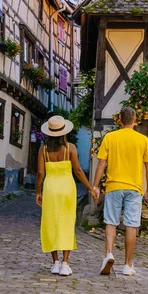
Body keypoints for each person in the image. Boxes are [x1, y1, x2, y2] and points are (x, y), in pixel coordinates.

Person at [92, 106, 148, 276]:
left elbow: (101, 163)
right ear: (135, 121)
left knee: (111, 222)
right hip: (134, 188)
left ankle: (108, 254)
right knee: (131, 225)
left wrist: (95, 186)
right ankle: (127, 265)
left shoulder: (110, 137)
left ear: (119, 120)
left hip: (113, 186)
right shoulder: (143, 140)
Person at [36, 115, 99, 276]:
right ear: (64, 133)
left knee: (50, 223)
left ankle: (55, 262)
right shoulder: (70, 148)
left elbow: (40, 173)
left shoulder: (43, 150)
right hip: (67, 189)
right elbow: (78, 171)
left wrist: (38, 192)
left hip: (50, 188)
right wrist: (91, 188)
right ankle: (65, 263)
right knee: (66, 223)